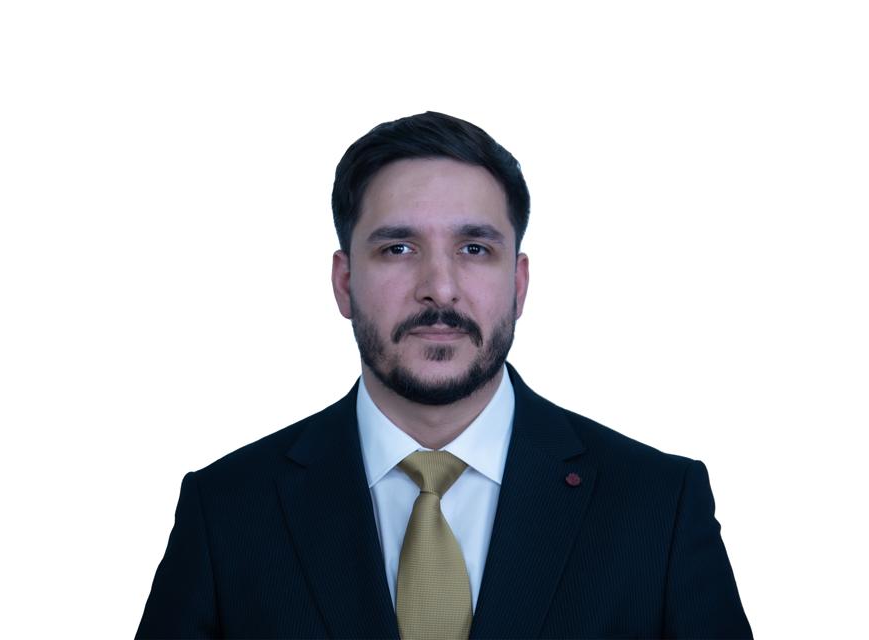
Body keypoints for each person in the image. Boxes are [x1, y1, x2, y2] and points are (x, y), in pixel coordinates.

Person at [136, 112, 752, 639]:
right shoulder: (227, 512)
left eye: (474, 248)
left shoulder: (658, 506)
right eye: (398, 249)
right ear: (344, 283)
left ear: (519, 284)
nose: (440, 288)